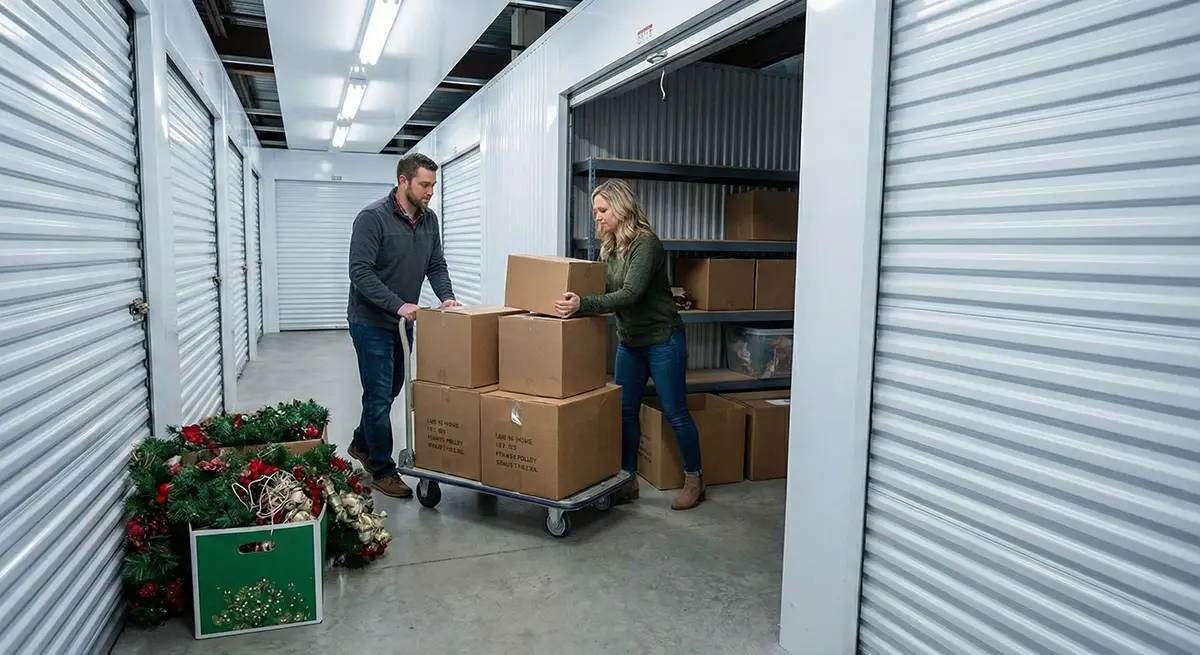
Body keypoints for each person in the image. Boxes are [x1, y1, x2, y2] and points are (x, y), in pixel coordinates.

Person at [554, 179, 705, 511]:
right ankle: (628, 479)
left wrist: (582, 304)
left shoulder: (645, 244)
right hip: (631, 342)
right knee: (624, 413)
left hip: (663, 339)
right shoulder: (610, 247)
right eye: (595, 212)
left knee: (676, 412)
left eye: (603, 210)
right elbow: (604, 287)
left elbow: (629, 295)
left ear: (622, 207)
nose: (598, 218)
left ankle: (694, 479)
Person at [346, 153, 459, 498]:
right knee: (379, 397)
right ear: (403, 181)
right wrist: (399, 304)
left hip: (400, 324)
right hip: (371, 321)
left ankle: (361, 443)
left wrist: (447, 297)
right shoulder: (372, 218)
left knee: (394, 390)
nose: (430, 192)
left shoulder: (429, 221)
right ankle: (382, 469)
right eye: (425, 185)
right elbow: (360, 272)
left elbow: (435, 265)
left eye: (433, 186)